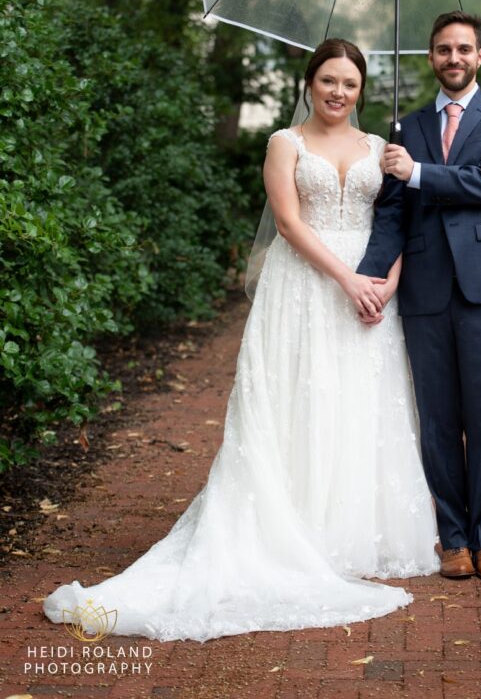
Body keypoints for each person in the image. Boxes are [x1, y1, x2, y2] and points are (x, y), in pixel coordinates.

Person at [43, 38, 438, 643]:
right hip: (306, 287)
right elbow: (287, 223)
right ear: (310, 83)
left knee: (358, 403)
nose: (339, 92)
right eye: (328, 80)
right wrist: (346, 278)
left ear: (362, 91)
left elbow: (397, 222)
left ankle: (350, 533)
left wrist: (384, 285)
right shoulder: (285, 144)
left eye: (350, 84)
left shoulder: (381, 151)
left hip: (369, 291)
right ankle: (293, 532)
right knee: (298, 403)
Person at [358, 11, 481, 582]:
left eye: (463, 48)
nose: (453, 58)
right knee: (436, 419)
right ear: (430, 58)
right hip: (426, 288)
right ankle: (452, 539)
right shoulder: (404, 128)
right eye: (442, 49)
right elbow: (389, 212)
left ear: (480, 55)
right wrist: (369, 277)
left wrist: (416, 173)